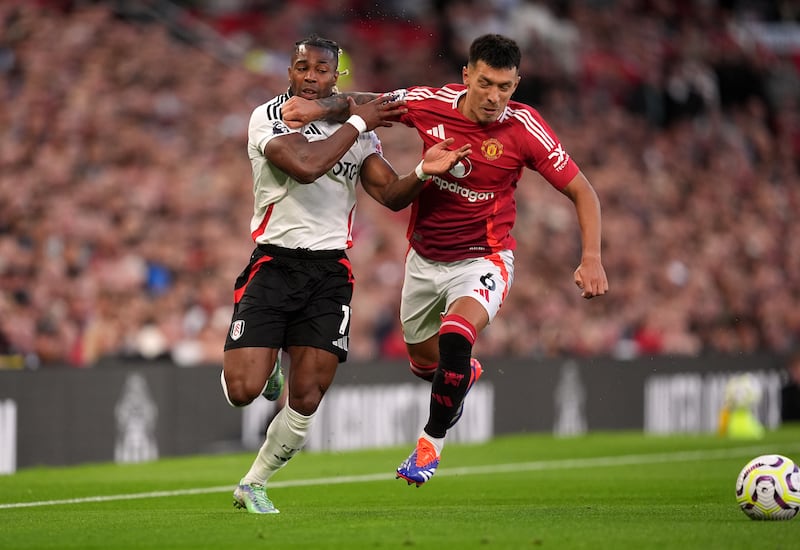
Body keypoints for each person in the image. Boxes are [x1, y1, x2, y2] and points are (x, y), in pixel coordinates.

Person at [282, 33, 609, 487]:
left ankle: (429, 445)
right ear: (466, 76)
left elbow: (582, 190)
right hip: (424, 259)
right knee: (423, 362)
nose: (495, 97)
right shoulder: (429, 103)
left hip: (485, 259)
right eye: (486, 83)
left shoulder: (524, 128)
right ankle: (461, 374)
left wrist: (591, 257)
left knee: (458, 334)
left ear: (517, 85)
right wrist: (317, 109)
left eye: (506, 87)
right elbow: (369, 103)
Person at [221, 34, 471, 513]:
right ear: (289, 72)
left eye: (320, 70)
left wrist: (424, 170)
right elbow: (307, 166)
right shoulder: (268, 117)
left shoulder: (360, 135)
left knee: (309, 395)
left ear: (337, 77)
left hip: (330, 271)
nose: (310, 78)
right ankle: (266, 364)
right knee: (242, 392)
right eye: (302, 68)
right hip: (274, 262)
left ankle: (253, 482)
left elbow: (393, 195)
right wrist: (356, 120)